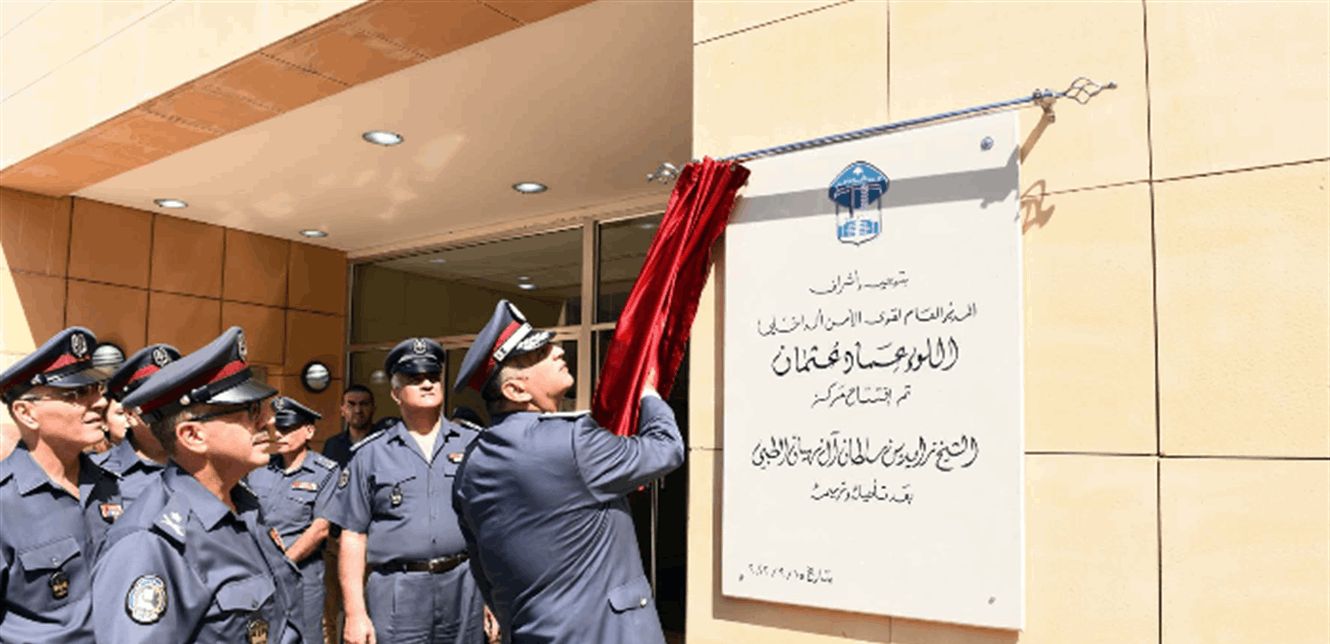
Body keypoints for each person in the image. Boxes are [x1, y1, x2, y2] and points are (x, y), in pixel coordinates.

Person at [452, 301, 684, 643]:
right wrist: (649, 395)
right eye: (540, 353)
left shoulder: (470, 465)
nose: (558, 351)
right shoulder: (570, 443)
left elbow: (485, 570)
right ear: (515, 390)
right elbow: (665, 449)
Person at [91, 327, 305, 643]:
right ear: (192, 435)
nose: (269, 421)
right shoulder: (150, 543)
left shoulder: (242, 505)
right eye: (251, 411)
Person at [326, 337, 485, 644]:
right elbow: (353, 536)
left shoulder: (471, 444)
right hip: (398, 590)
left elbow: (487, 525)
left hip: (464, 585)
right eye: (415, 379)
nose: (427, 384)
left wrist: (492, 596)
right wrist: (355, 613)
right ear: (396, 393)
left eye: (433, 377)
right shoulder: (371, 454)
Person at [0, 327, 122, 642]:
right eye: (76, 394)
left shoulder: (111, 485)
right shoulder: (4, 503)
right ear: (26, 413)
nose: (100, 402)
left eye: (96, 388)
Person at [246, 396, 339, 644]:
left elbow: (321, 528)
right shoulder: (259, 469)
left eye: (287, 429)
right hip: (259, 572)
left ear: (309, 431)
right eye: (276, 428)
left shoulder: (325, 472)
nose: (279, 434)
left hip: (301, 575)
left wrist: (282, 563)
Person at [93, 344, 179, 505]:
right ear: (130, 414)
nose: (171, 408)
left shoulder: (206, 463)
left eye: (175, 398)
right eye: (158, 401)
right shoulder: (97, 474)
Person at [323, 384, 375, 467]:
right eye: (351, 405)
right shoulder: (333, 445)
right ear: (342, 411)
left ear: (373, 409)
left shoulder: (385, 443)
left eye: (364, 404)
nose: (358, 410)